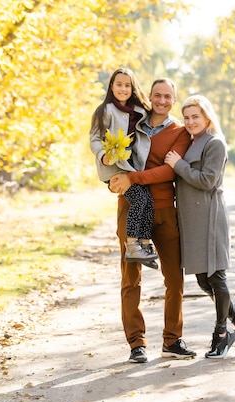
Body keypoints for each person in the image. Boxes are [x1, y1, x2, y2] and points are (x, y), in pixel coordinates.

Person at [109, 78, 196, 363]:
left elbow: (168, 173)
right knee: (131, 278)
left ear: (174, 99)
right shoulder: (132, 124)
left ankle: (172, 340)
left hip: (164, 211)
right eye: (157, 95)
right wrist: (112, 179)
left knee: (174, 278)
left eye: (167, 96)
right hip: (130, 207)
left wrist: (132, 177)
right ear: (149, 96)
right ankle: (136, 343)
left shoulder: (180, 133)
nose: (161, 100)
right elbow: (111, 154)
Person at [164, 94, 235, 359]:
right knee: (203, 280)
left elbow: (206, 181)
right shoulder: (188, 142)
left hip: (209, 217)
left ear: (207, 117)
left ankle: (221, 334)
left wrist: (177, 164)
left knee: (216, 277)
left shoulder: (215, 143)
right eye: (187, 117)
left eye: (196, 116)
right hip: (190, 220)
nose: (191, 121)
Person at [90, 67, 158, 267]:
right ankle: (131, 244)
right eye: (119, 85)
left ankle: (144, 243)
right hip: (112, 166)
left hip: (129, 165)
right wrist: (103, 156)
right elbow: (94, 139)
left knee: (147, 198)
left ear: (132, 88)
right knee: (138, 199)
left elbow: (154, 114)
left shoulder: (138, 111)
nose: (123, 89)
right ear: (111, 86)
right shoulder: (105, 110)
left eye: (127, 85)